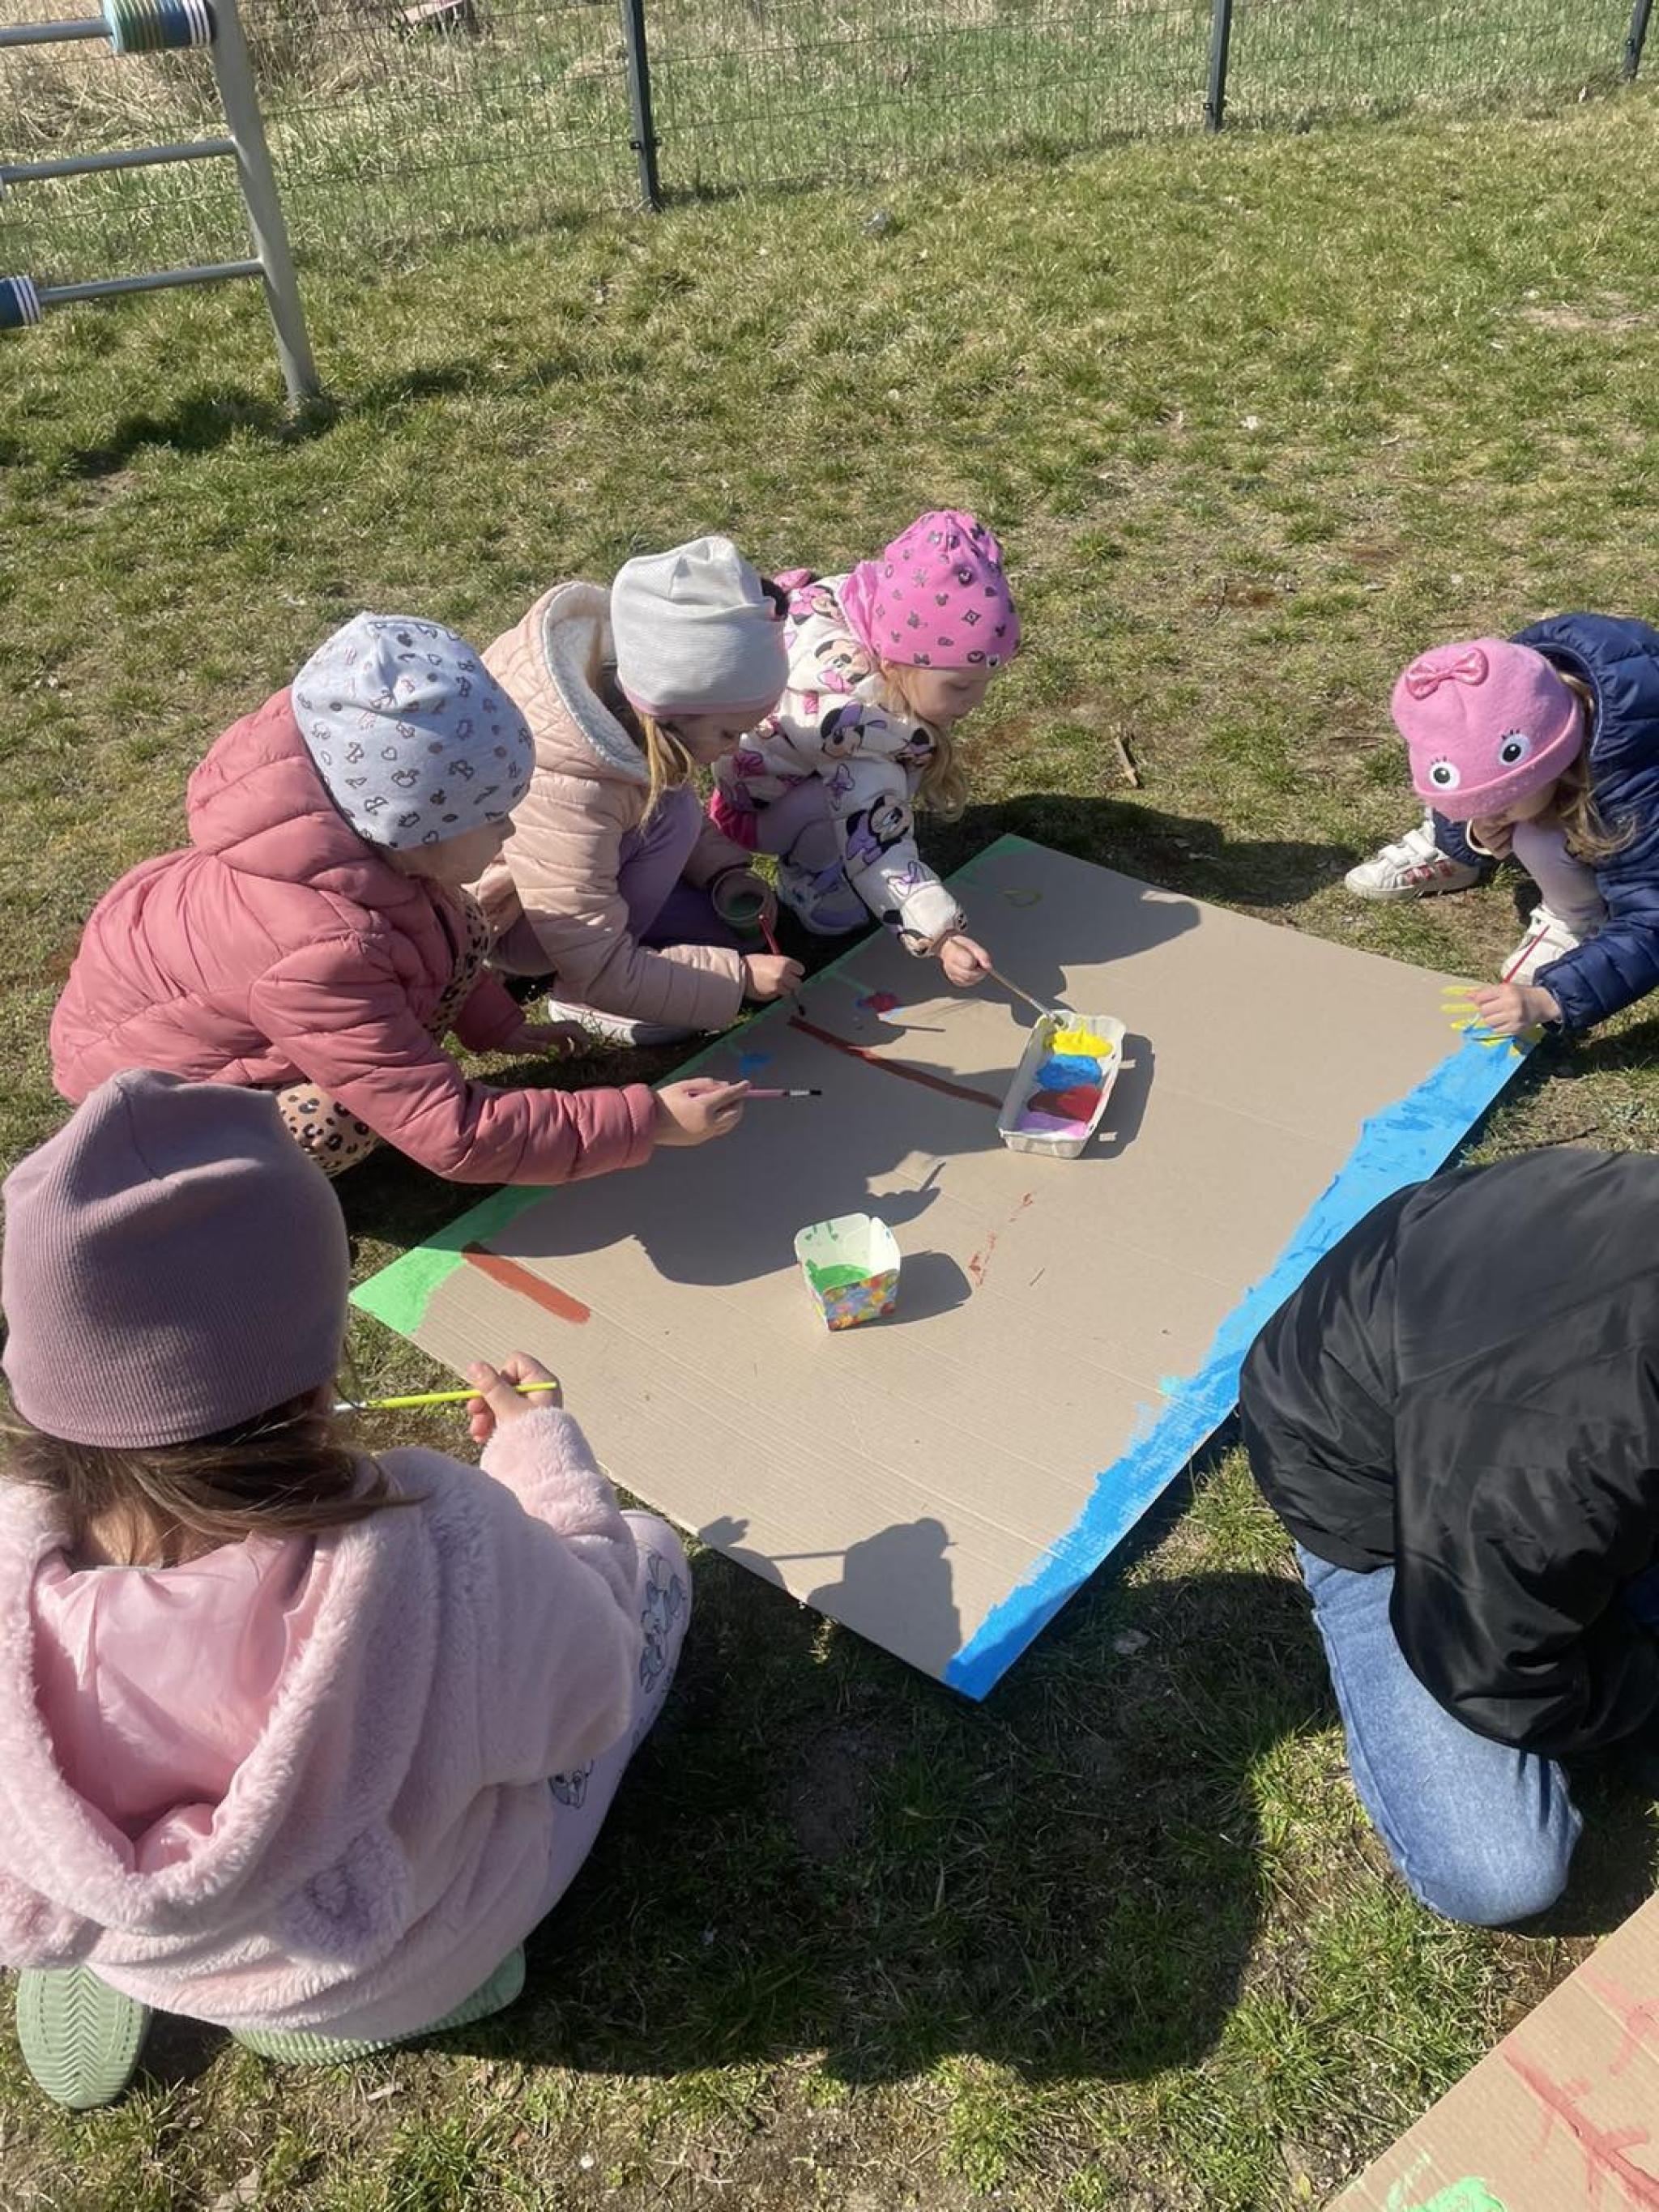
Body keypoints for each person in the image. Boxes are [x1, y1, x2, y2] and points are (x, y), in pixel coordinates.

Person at [0, 1071, 692, 2108]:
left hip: (150, 1944)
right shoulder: (436, 1548)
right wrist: (543, 1456)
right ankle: (417, 1991)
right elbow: (589, 1688)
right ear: (318, 1373)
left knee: (77, 1846)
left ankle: (117, 1951)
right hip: (381, 1949)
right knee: (644, 1552)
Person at [49, 613, 745, 1181]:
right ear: (415, 828)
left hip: (236, 1010)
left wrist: (497, 1025)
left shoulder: (358, 850)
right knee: (340, 1118)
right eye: (493, 816)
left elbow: (436, 936)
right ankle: (217, 1186)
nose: (509, 832)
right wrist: (647, 1121)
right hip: (161, 1111)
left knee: (464, 917)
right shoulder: (323, 952)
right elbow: (456, 1133)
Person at [1239, 1145, 1659, 1928]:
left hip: (1457, 1325)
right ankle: (1359, 1593)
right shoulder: (1554, 1464)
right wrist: (1639, 1694)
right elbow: (1486, 1664)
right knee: (1502, 1870)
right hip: (1360, 1473)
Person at [476, 537, 803, 1049]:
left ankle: (637, 952)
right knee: (673, 816)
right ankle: (579, 998)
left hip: (566, 891)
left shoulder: (630, 720)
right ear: (670, 714)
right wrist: (738, 979)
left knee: (719, 929)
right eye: (727, 732)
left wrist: (723, 872)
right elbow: (595, 955)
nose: (733, 749)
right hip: (509, 924)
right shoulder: (569, 786)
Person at [710, 509, 1019, 987]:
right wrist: (940, 935)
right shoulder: (856, 727)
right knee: (842, 805)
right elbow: (875, 841)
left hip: (774, 775)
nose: (975, 701)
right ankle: (810, 878)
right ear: (895, 664)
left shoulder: (869, 612)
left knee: (870, 783)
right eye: (959, 686)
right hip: (754, 813)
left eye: (984, 682)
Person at [1343, 618, 1659, 1038]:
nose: (1489, 815)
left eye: (1500, 805)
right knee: (1498, 809)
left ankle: (1578, 917)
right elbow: (1472, 762)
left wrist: (1554, 997)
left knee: (1536, 838)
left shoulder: (1635, 789)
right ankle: (1455, 853)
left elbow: (1652, 918)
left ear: (1555, 762)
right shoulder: (1505, 685)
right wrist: (1471, 836)